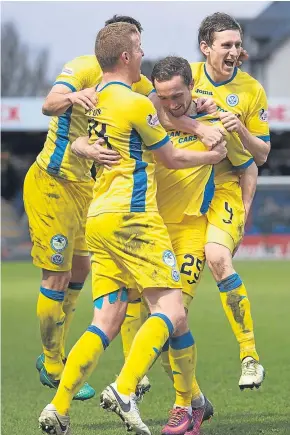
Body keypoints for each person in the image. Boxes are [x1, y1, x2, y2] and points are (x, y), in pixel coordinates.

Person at [38, 23, 227, 435]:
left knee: (105, 318)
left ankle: (58, 406)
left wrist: (77, 146)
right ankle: (125, 389)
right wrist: (212, 155)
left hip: (99, 218)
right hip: (135, 217)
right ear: (125, 56)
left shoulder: (96, 99)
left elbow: (83, 136)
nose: (143, 54)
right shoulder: (135, 103)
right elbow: (172, 157)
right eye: (139, 48)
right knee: (172, 311)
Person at [23, 15, 157, 401]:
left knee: (79, 271)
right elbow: (49, 104)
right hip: (53, 181)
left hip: (89, 190)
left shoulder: (136, 83)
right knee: (57, 277)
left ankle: (57, 354)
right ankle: (51, 363)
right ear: (118, 46)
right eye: (136, 42)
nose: (141, 50)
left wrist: (195, 104)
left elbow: (161, 100)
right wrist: (73, 97)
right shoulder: (82, 68)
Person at [189, 12, 270, 388]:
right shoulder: (185, 78)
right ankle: (143, 381)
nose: (235, 51)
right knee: (171, 289)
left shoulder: (252, 90)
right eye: (227, 45)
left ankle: (250, 356)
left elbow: (262, 154)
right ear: (206, 48)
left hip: (225, 188)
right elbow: (152, 106)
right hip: (183, 192)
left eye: (238, 45)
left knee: (218, 258)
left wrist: (240, 130)